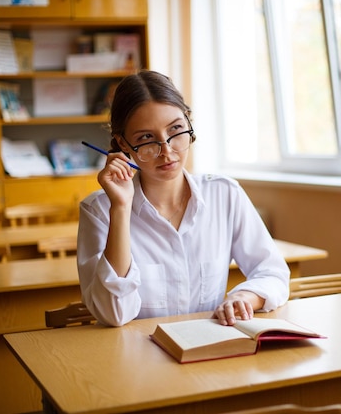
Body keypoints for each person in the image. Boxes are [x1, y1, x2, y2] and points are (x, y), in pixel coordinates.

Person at [77, 70, 290, 327]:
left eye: (176, 130)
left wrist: (245, 296)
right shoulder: (99, 210)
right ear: (123, 144)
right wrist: (121, 208)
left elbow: (273, 272)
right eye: (146, 138)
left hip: (209, 349)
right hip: (138, 359)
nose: (167, 151)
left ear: (188, 123)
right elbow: (113, 314)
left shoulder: (224, 194)